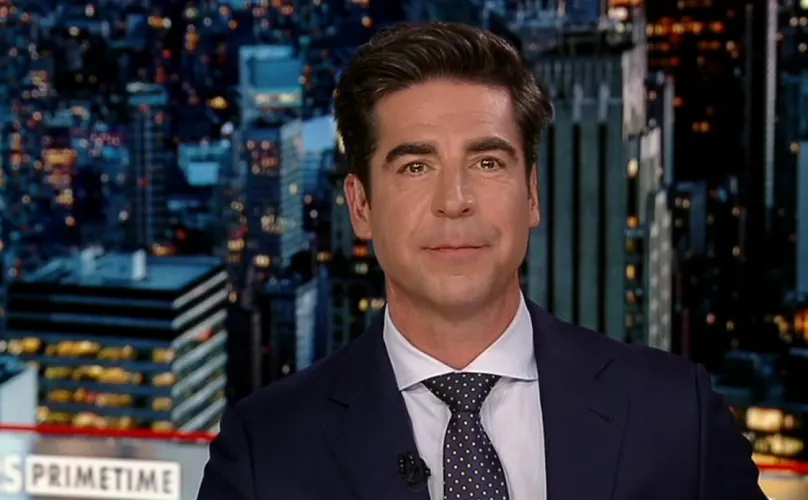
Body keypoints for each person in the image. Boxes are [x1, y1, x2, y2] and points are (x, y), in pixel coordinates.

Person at [197, 22, 766, 500]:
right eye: (415, 167)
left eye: (488, 163)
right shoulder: (264, 453)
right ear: (361, 206)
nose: (455, 200)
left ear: (532, 193)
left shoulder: (676, 415)